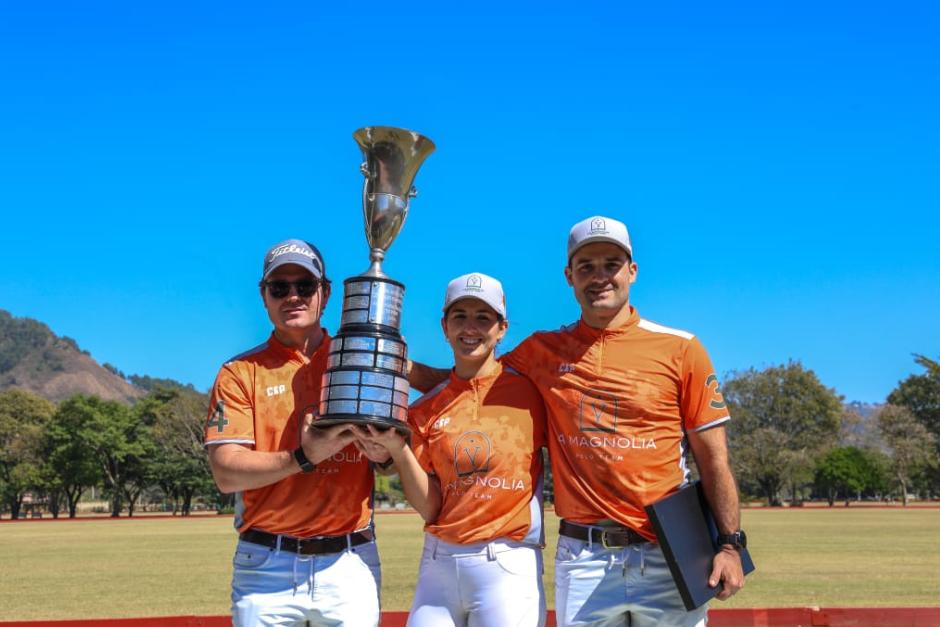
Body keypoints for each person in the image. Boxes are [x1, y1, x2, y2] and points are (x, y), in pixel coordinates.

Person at [410, 217, 745, 627]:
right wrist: (394, 367)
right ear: (569, 276)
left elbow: (714, 459)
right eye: (586, 266)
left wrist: (729, 544)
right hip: (582, 555)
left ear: (632, 271)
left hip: (666, 553)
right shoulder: (542, 351)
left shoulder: (681, 349)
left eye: (611, 264)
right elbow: (470, 377)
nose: (599, 276)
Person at [204, 238, 383, 627]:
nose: (293, 297)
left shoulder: (359, 359)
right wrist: (303, 457)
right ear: (264, 296)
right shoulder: (240, 372)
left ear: (325, 293)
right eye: (279, 288)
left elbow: (424, 385)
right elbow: (226, 472)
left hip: (349, 561)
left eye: (304, 286)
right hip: (266, 565)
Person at [357, 272, 547, 627]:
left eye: (483, 317)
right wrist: (398, 449)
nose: (470, 328)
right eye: (460, 316)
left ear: (502, 329)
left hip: (508, 561)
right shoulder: (425, 409)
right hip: (438, 562)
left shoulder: (532, 392)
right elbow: (431, 507)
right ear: (444, 327)